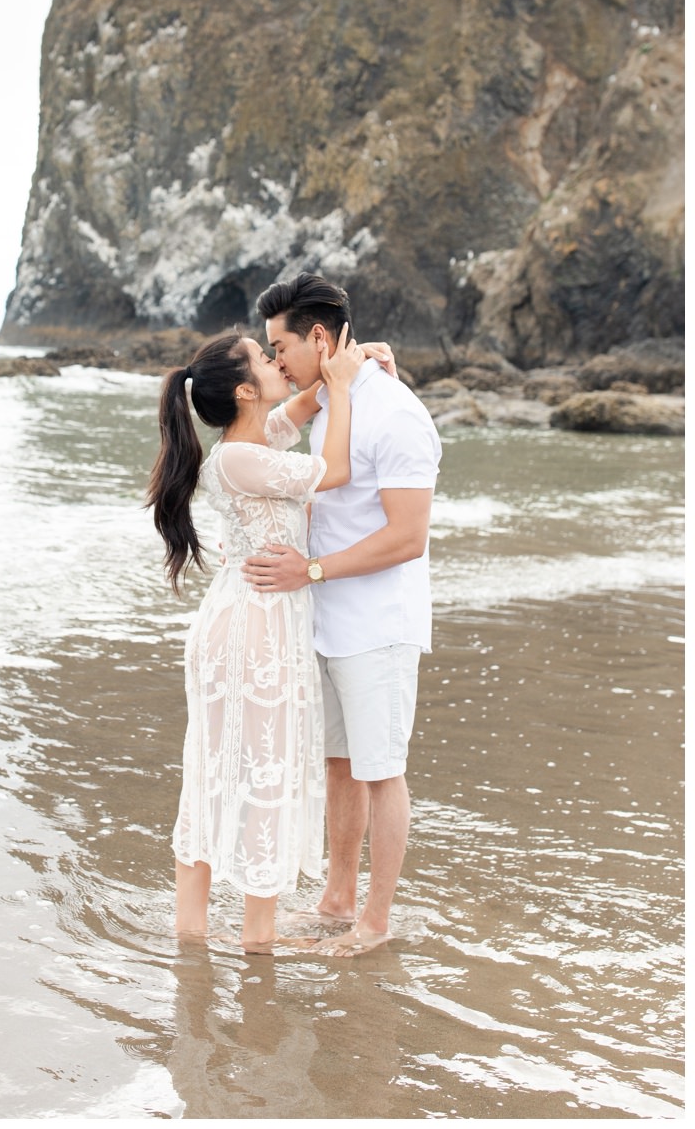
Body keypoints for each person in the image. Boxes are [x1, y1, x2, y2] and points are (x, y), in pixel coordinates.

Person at [242, 274, 441, 956]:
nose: (273, 363)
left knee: (381, 769)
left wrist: (312, 570)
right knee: (338, 764)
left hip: (377, 624)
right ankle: (336, 898)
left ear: (319, 338)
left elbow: (406, 536)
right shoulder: (333, 398)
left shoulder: (398, 414)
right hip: (325, 620)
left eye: (280, 348)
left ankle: (375, 921)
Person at [149, 325, 363, 951]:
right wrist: (345, 388)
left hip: (256, 620)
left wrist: (338, 364)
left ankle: (197, 936)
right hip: (252, 629)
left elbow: (302, 402)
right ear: (246, 391)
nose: (276, 361)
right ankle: (253, 943)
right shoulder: (242, 459)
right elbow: (340, 469)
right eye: (263, 359)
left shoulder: (252, 442)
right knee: (250, 772)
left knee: (230, 768)